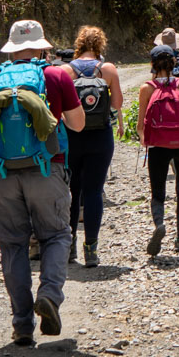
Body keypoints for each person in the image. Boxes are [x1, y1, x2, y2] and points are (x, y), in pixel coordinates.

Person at [0, 19, 84, 346]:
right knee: (57, 234)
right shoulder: (56, 75)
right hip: (48, 169)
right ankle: (48, 293)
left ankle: (21, 324)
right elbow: (76, 124)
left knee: (13, 245)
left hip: (2, 174)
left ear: (10, 47)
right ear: (42, 46)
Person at [66, 26, 125, 268]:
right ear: (101, 44)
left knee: (72, 190)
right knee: (93, 191)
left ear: (78, 44)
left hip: (72, 136)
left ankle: (69, 246)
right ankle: (91, 248)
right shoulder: (108, 69)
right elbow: (118, 103)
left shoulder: (66, 70)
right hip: (101, 137)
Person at [137, 44, 179, 256]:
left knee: (158, 191)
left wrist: (148, 142)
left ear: (153, 65)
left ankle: (159, 225)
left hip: (157, 146)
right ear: (174, 63)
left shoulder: (147, 88)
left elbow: (140, 126)